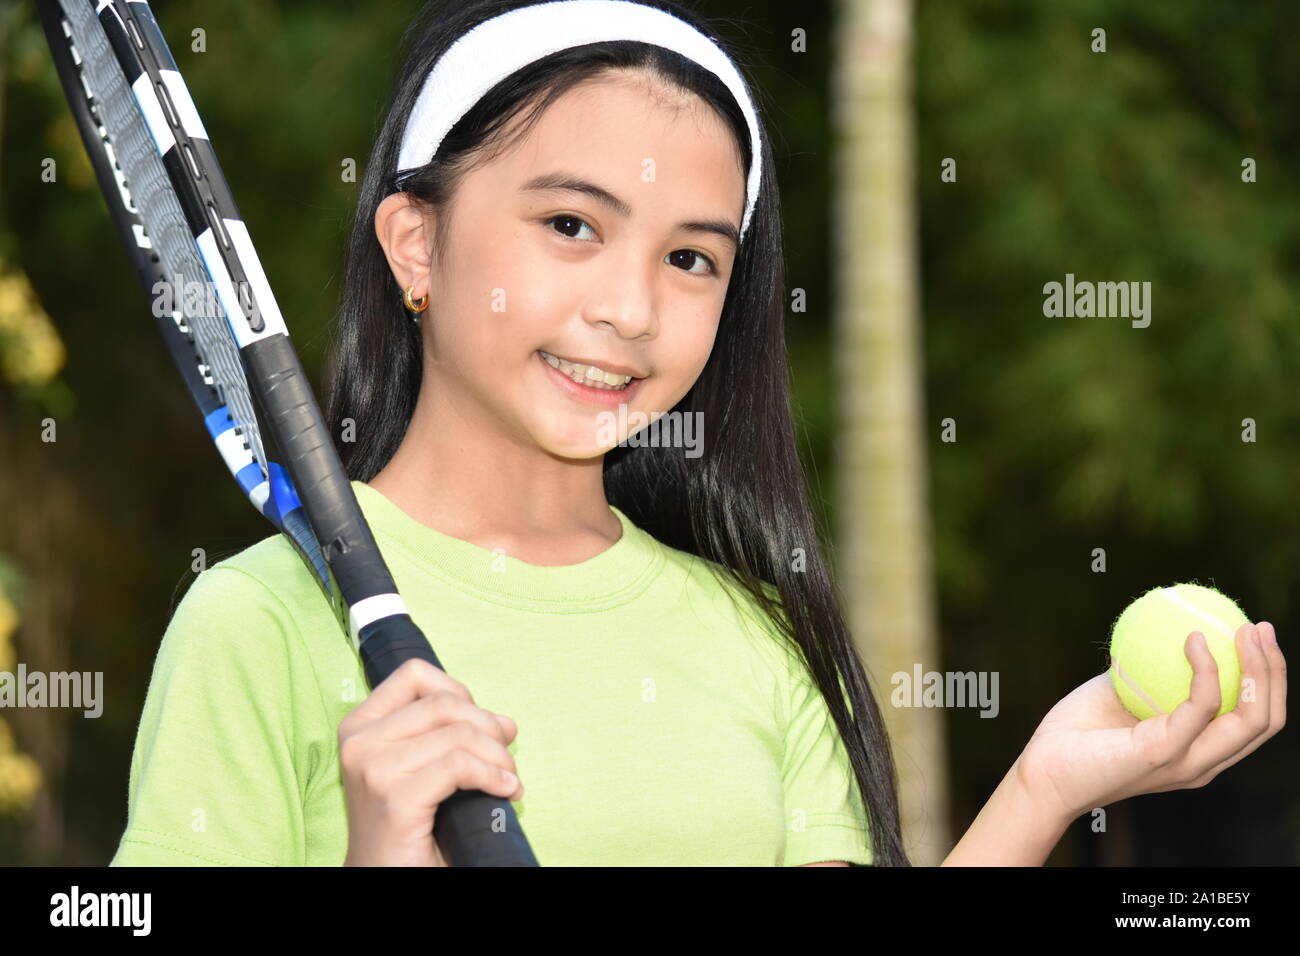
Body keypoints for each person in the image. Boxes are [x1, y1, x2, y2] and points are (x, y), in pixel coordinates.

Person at [109, 0, 1286, 867]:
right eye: (571, 223)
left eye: (688, 256)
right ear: (415, 242)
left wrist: (1039, 786)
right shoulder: (253, 627)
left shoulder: (751, 639)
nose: (630, 306)